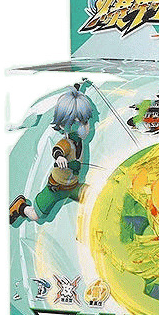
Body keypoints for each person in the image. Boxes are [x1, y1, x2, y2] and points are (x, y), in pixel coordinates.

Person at [10, 84, 94, 225]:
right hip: (55, 188)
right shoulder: (67, 143)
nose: (84, 128)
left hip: (72, 186)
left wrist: (79, 88)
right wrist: (60, 157)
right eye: (78, 124)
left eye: (85, 123)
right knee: (36, 215)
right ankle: (21, 207)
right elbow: (58, 150)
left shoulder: (79, 140)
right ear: (63, 125)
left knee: (90, 194)